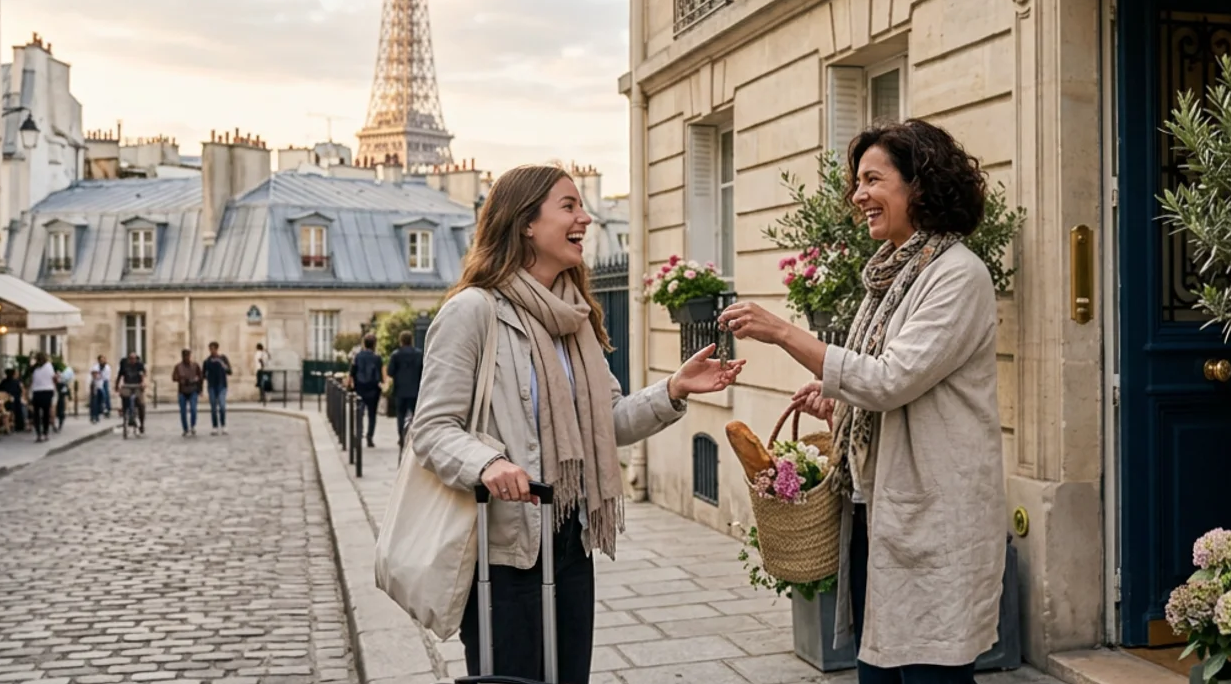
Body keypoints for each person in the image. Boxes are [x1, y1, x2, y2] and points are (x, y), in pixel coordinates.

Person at [412, 164, 743, 684]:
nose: (585, 218)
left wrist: (673, 389)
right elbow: (431, 429)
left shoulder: (575, 316)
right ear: (525, 222)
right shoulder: (473, 313)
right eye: (568, 206)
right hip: (505, 548)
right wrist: (488, 463)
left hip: (571, 536)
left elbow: (606, 423)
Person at [719, 120, 1006, 684]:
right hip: (877, 513)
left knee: (931, 671)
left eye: (873, 179)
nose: (858, 196)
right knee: (878, 670)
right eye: (857, 182)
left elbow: (891, 379)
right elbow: (885, 383)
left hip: (934, 513)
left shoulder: (957, 276)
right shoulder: (892, 275)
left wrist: (783, 332)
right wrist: (838, 403)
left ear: (918, 186)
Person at [386, 329, 423, 450]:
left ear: (401, 341)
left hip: (400, 390)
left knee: (400, 415)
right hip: (415, 390)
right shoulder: (419, 354)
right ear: (411, 340)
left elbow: (390, 372)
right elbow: (423, 371)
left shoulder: (396, 355)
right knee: (417, 416)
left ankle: (401, 437)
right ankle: (416, 438)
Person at [350, 334, 383, 448]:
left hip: (360, 387)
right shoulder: (377, 357)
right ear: (374, 344)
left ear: (364, 343)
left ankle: (359, 434)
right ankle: (370, 437)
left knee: (359, 412)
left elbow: (352, 372)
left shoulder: (357, 356)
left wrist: (352, 384)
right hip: (373, 389)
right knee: (372, 415)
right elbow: (379, 375)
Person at [173, 349, 204, 437]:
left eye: (188, 356)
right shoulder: (178, 366)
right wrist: (180, 379)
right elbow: (174, 377)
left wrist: (200, 389)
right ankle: (185, 428)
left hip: (193, 389)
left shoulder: (195, 366)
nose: (187, 357)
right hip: (182, 391)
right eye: (185, 356)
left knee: (193, 409)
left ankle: (193, 425)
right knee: (183, 411)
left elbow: (201, 378)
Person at [115, 351, 147, 435]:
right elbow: (119, 375)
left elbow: (142, 375)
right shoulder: (124, 365)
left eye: (134, 359)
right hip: (127, 385)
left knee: (141, 404)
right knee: (124, 397)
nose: (133, 360)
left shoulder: (139, 365)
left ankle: (142, 423)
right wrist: (117, 385)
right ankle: (125, 413)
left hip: (137, 385)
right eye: (131, 359)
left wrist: (143, 383)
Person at [203, 342, 231, 436]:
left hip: (222, 385)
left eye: (213, 349)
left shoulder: (223, 358)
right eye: (210, 349)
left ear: (217, 349)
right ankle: (214, 426)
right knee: (213, 407)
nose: (212, 351)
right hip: (212, 386)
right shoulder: (207, 361)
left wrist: (222, 364)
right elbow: (204, 374)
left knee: (222, 406)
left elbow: (229, 371)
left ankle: (223, 425)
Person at [29, 353, 57, 443]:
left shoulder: (34, 368)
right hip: (47, 391)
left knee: (36, 414)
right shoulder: (49, 366)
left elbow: (31, 379)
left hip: (36, 392)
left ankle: (38, 435)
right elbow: (54, 378)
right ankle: (45, 433)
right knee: (46, 413)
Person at [90, 355, 113, 422]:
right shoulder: (95, 367)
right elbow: (94, 376)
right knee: (95, 400)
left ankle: (106, 409)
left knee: (105, 396)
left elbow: (106, 378)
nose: (103, 361)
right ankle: (95, 415)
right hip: (96, 384)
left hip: (104, 383)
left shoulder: (107, 367)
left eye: (104, 360)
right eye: (101, 360)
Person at [55, 361, 74, 432]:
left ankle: (60, 422)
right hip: (56, 389)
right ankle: (58, 422)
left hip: (60, 389)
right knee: (59, 407)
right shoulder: (66, 370)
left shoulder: (67, 370)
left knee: (60, 406)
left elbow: (67, 379)